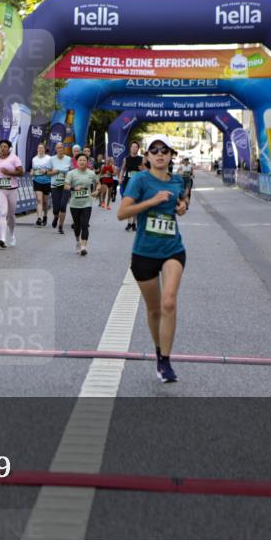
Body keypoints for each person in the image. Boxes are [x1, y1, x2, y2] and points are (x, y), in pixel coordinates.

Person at [117, 134, 189, 383]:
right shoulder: (139, 180)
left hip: (172, 249)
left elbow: (181, 203)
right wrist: (151, 201)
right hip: (144, 252)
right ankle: (159, 352)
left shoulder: (178, 180)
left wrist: (182, 207)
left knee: (169, 302)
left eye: (165, 150)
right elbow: (122, 213)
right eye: (154, 150)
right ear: (147, 157)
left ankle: (166, 361)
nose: (160, 154)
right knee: (154, 308)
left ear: (171, 156)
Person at [0, 139, 23, 248]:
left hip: (12, 189)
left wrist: (9, 172)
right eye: (1, 147)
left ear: (9, 148)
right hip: (0, 189)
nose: (3, 148)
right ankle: (2, 238)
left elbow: (21, 172)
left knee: (11, 214)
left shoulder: (14, 158)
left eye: (5, 146)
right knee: (3, 213)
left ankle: (12, 234)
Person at [66, 153, 99, 256]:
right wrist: (73, 188)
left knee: (85, 225)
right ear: (76, 162)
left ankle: (83, 247)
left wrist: (97, 191)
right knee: (77, 225)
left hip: (87, 203)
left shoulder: (91, 173)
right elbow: (65, 186)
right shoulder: (71, 173)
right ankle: (77, 241)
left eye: (84, 160)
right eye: (80, 160)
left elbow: (98, 183)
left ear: (87, 162)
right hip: (74, 204)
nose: (82, 162)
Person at [120, 141, 144, 231]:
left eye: (136, 147)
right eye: (132, 147)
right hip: (128, 182)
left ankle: (134, 223)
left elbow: (146, 171)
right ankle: (129, 223)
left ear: (138, 149)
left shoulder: (141, 159)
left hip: (137, 183)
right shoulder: (126, 159)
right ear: (130, 148)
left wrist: (142, 169)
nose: (134, 148)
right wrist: (120, 177)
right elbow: (122, 169)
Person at [50, 143, 72, 234]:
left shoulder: (68, 159)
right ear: (56, 149)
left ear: (64, 149)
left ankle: (60, 226)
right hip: (55, 185)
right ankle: (56, 217)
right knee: (56, 209)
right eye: (58, 148)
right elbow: (48, 172)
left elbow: (71, 172)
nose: (60, 149)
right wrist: (53, 172)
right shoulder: (51, 159)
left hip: (65, 185)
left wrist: (69, 182)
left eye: (61, 148)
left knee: (63, 206)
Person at [31, 142, 53, 226]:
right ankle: (39, 218)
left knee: (45, 202)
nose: (40, 149)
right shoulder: (34, 159)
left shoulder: (49, 158)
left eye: (42, 148)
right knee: (39, 200)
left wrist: (46, 171)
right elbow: (33, 169)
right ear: (37, 149)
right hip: (37, 181)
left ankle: (45, 216)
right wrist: (32, 172)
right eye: (38, 148)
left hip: (47, 181)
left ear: (44, 149)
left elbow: (52, 171)